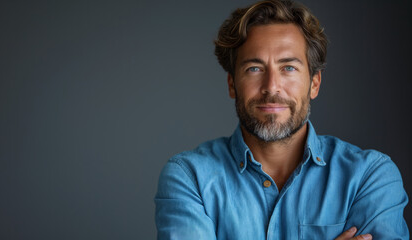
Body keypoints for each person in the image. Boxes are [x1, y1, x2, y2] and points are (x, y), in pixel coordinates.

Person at [154, 0, 409, 239]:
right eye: (254, 68)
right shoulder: (190, 178)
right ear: (232, 84)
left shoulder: (369, 176)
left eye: (288, 67)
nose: (271, 87)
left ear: (314, 83)